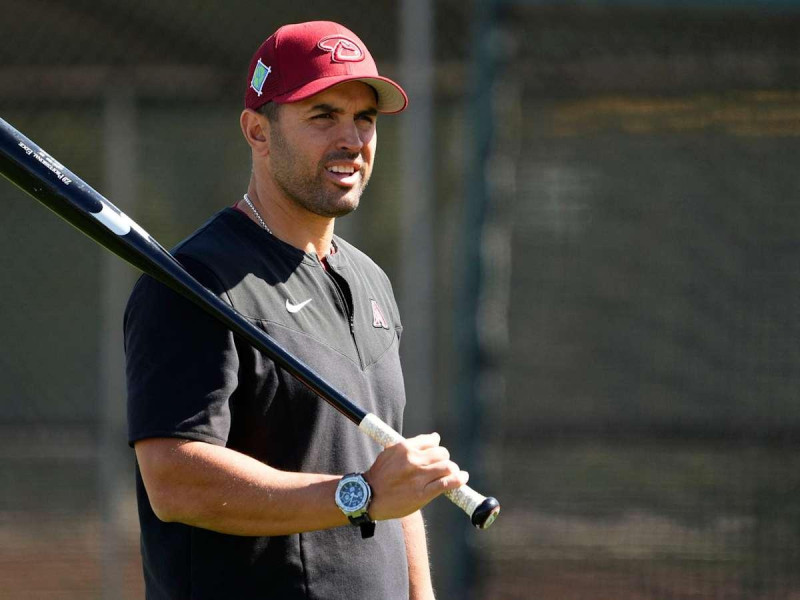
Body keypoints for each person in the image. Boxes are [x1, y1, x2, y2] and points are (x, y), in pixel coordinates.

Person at [124, 20, 468, 600]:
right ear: (257, 131)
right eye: (323, 116)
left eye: (365, 119)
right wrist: (358, 495)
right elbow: (176, 481)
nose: (353, 141)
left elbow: (389, 469)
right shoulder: (194, 282)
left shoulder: (372, 281)